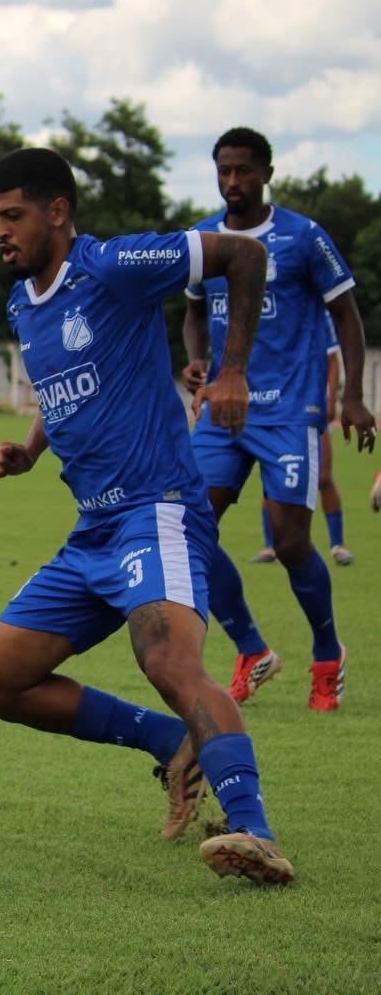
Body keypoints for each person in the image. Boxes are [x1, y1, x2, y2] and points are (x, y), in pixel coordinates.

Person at [0, 147, 293, 886]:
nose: (0, 231)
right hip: (91, 531)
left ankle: (253, 827)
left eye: (12, 214)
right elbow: (68, 387)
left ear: (57, 211)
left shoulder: (112, 265)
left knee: (169, 659)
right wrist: (26, 450)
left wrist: (233, 367)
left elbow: (243, 254)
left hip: (158, 510)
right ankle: (167, 740)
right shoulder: (23, 301)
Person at [181, 127, 375, 712]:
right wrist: (195, 360)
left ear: (267, 173)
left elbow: (347, 315)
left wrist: (354, 397)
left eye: (244, 170)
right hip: (222, 409)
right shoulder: (203, 239)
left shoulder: (303, 237)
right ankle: (251, 649)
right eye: (224, 171)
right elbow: (192, 312)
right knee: (187, 527)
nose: (233, 181)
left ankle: (326, 653)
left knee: (291, 543)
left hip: (291, 409)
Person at [250, 320, 352, 566]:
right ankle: (270, 546)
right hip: (273, 409)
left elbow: (332, 359)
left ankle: (338, 545)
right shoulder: (262, 316)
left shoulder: (315, 314)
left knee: (324, 478)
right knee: (270, 480)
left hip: (306, 406)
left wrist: (331, 400)